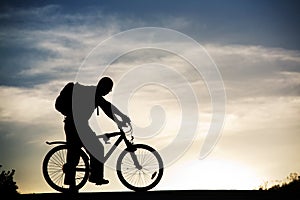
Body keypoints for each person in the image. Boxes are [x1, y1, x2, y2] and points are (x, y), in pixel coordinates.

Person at [62, 76, 130, 192]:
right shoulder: (94, 94)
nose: (108, 92)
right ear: (103, 86)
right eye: (108, 89)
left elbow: (108, 107)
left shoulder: (94, 94)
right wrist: (120, 119)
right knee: (95, 148)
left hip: (76, 124)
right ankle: (95, 177)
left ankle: (74, 185)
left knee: (74, 153)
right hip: (76, 125)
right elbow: (108, 109)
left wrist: (121, 117)